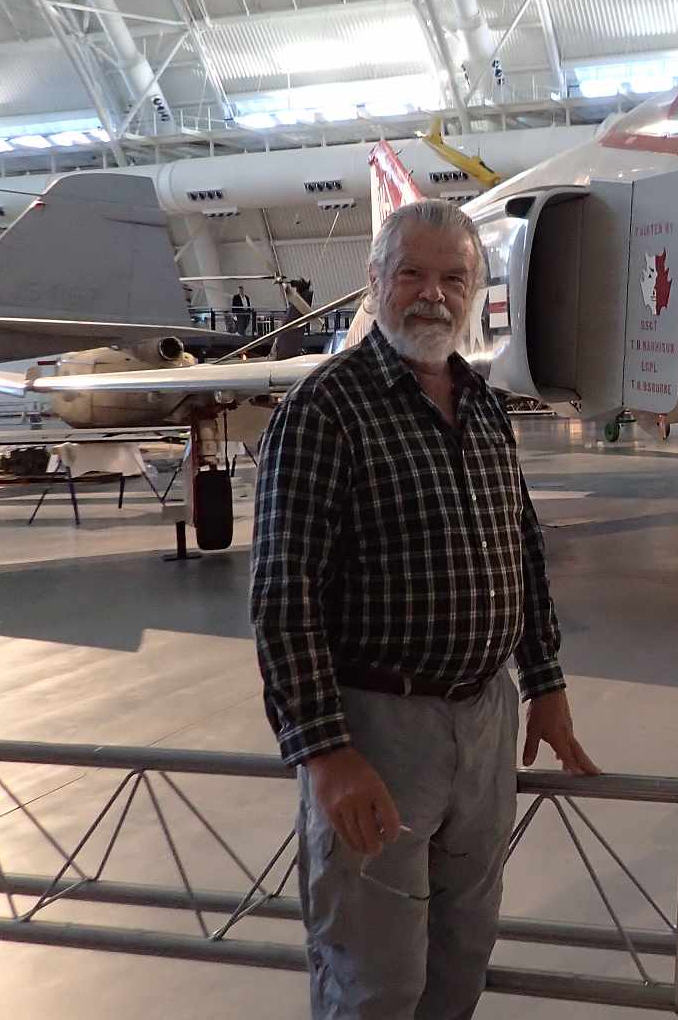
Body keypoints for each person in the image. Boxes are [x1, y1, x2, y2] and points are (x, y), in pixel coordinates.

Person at [251, 199, 599, 1020]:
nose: (432, 296)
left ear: (475, 290)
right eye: (411, 273)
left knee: (460, 961)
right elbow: (282, 594)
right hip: (378, 727)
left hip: (485, 721)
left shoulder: (481, 405)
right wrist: (325, 753)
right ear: (374, 282)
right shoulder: (325, 410)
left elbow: (521, 545)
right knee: (374, 981)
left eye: (454, 278)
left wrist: (543, 682)